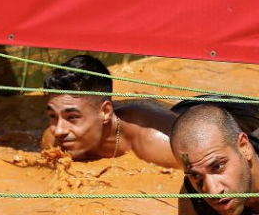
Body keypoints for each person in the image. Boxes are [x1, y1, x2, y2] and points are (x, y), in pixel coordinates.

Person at [41, 55, 180, 167]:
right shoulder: (52, 142)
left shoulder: (160, 146)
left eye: (72, 117)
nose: (59, 131)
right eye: (53, 116)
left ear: (105, 112)